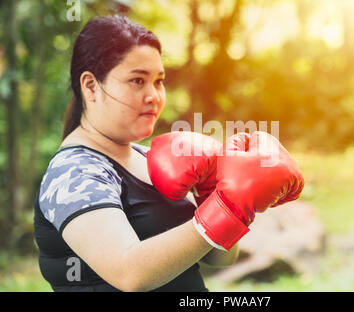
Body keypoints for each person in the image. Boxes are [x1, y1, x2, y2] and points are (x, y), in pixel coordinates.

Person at [34, 15, 304, 292]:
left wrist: (216, 196)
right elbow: (129, 273)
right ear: (91, 86)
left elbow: (219, 257)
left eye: (159, 81)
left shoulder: (147, 157)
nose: (154, 95)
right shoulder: (74, 172)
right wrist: (225, 207)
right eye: (137, 80)